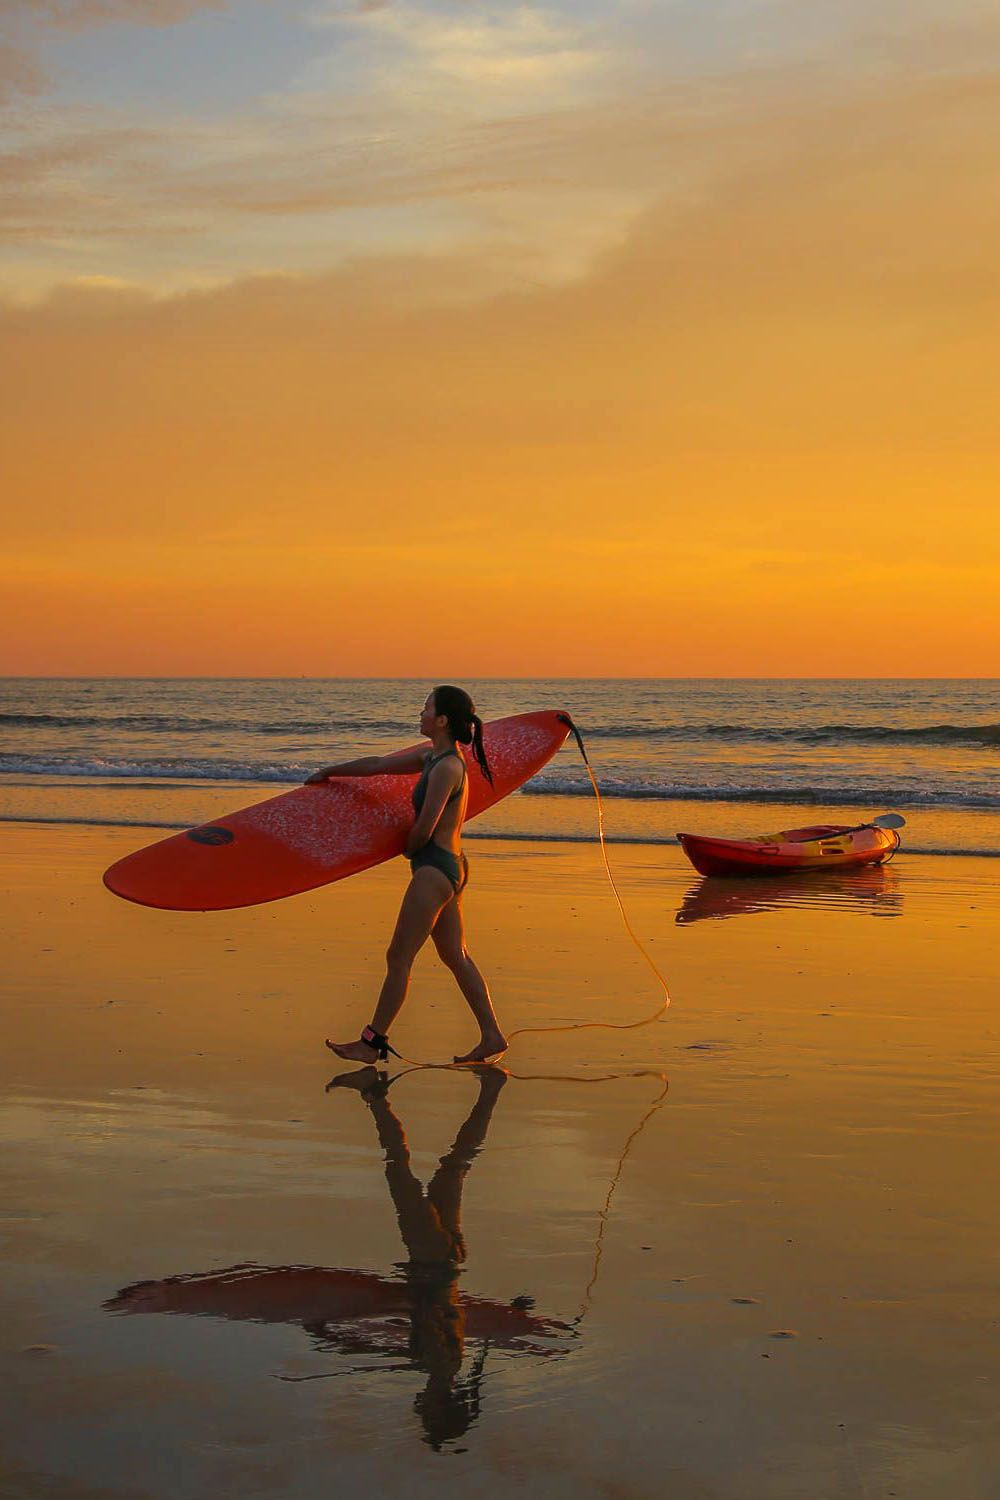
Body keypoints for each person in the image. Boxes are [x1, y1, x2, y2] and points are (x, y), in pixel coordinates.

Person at [306, 686, 507, 1066]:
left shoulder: (447, 767)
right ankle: (492, 1035)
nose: (421, 712)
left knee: (399, 957)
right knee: (456, 956)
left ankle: (371, 1042)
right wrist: (330, 772)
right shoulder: (433, 757)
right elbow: (377, 764)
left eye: (427, 707)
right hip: (450, 867)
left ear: (443, 719)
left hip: (434, 870)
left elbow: (424, 828)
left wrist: (406, 848)